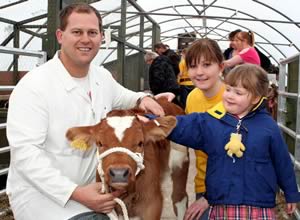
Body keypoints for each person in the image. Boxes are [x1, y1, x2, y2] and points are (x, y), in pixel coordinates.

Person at [6, 3, 168, 220]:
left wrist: (143, 98)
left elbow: (124, 95)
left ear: (101, 37)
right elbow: (26, 155)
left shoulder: (100, 77)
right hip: (43, 198)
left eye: (92, 33)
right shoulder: (34, 86)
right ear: (60, 36)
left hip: (91, 191)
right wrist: (76, 193)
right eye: (77, 32)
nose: (85, 39)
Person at [168, 64, 300, 219]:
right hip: (222, 202)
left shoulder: (268, 126)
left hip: (258, 204)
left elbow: (282, 162)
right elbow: (185, 126)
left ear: (256, 98)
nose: (229, 95)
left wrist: (291, 193)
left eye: (238, 92)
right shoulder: (213, 121)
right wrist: (154, 123)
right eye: (228, 89)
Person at [184, 38, 225, 220]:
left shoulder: (234, 99)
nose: (199, 72)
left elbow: (241, 161)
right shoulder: (192, 98)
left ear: (221, 67)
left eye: (207, 65)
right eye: (193, 66)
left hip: (231, 190)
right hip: (202, 186)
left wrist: (209, 197)